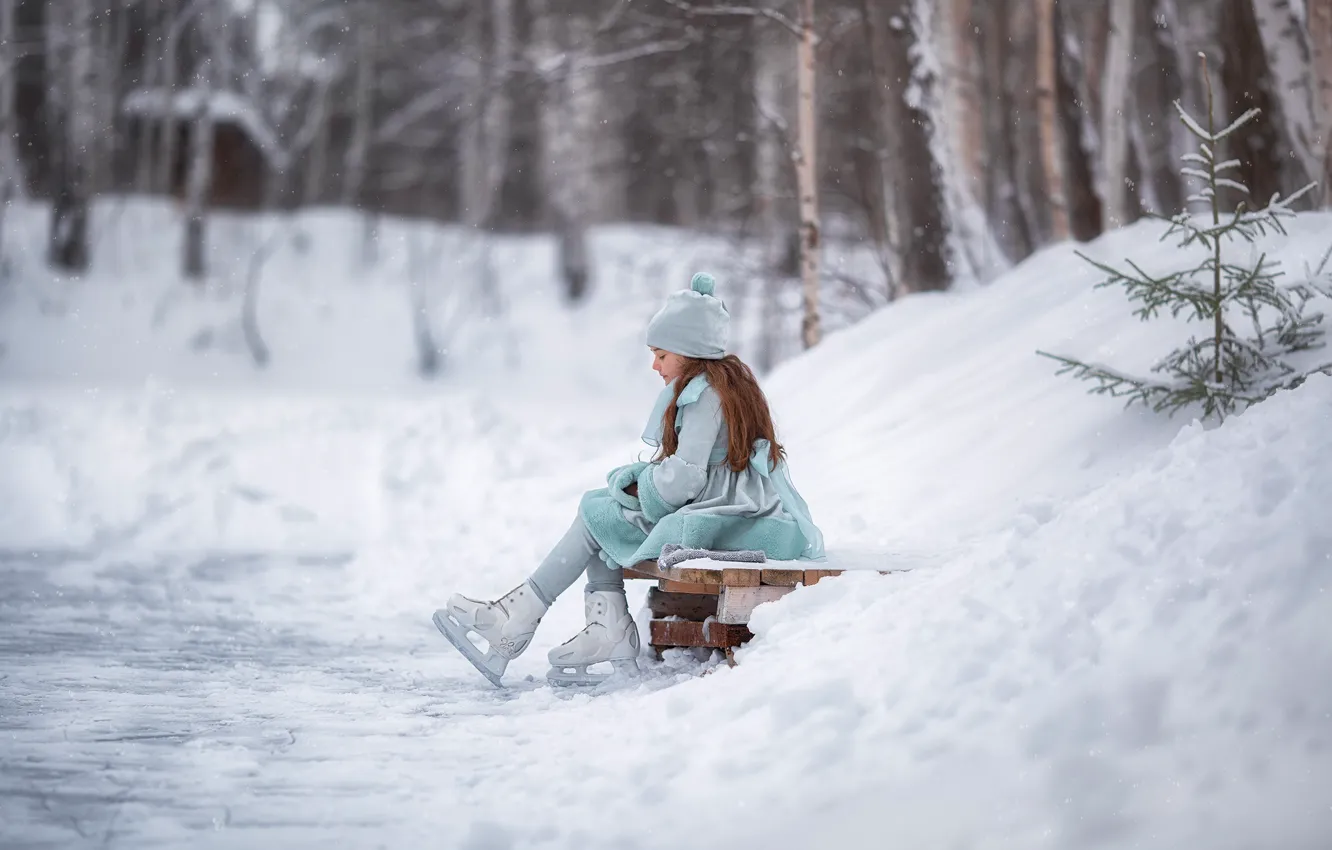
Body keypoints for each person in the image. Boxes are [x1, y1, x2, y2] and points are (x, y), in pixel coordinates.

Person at [432, 272, 825, 687]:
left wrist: (642, 487)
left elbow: (686, 479)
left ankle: (519, 621)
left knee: (596, 514)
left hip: (722, 515)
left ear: (689, 351)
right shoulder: (726, 386)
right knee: (600, 512)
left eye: (661, 355)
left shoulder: (702, 396)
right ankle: (601, 630)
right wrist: (640, 481)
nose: (655, 365)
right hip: (732, 505)